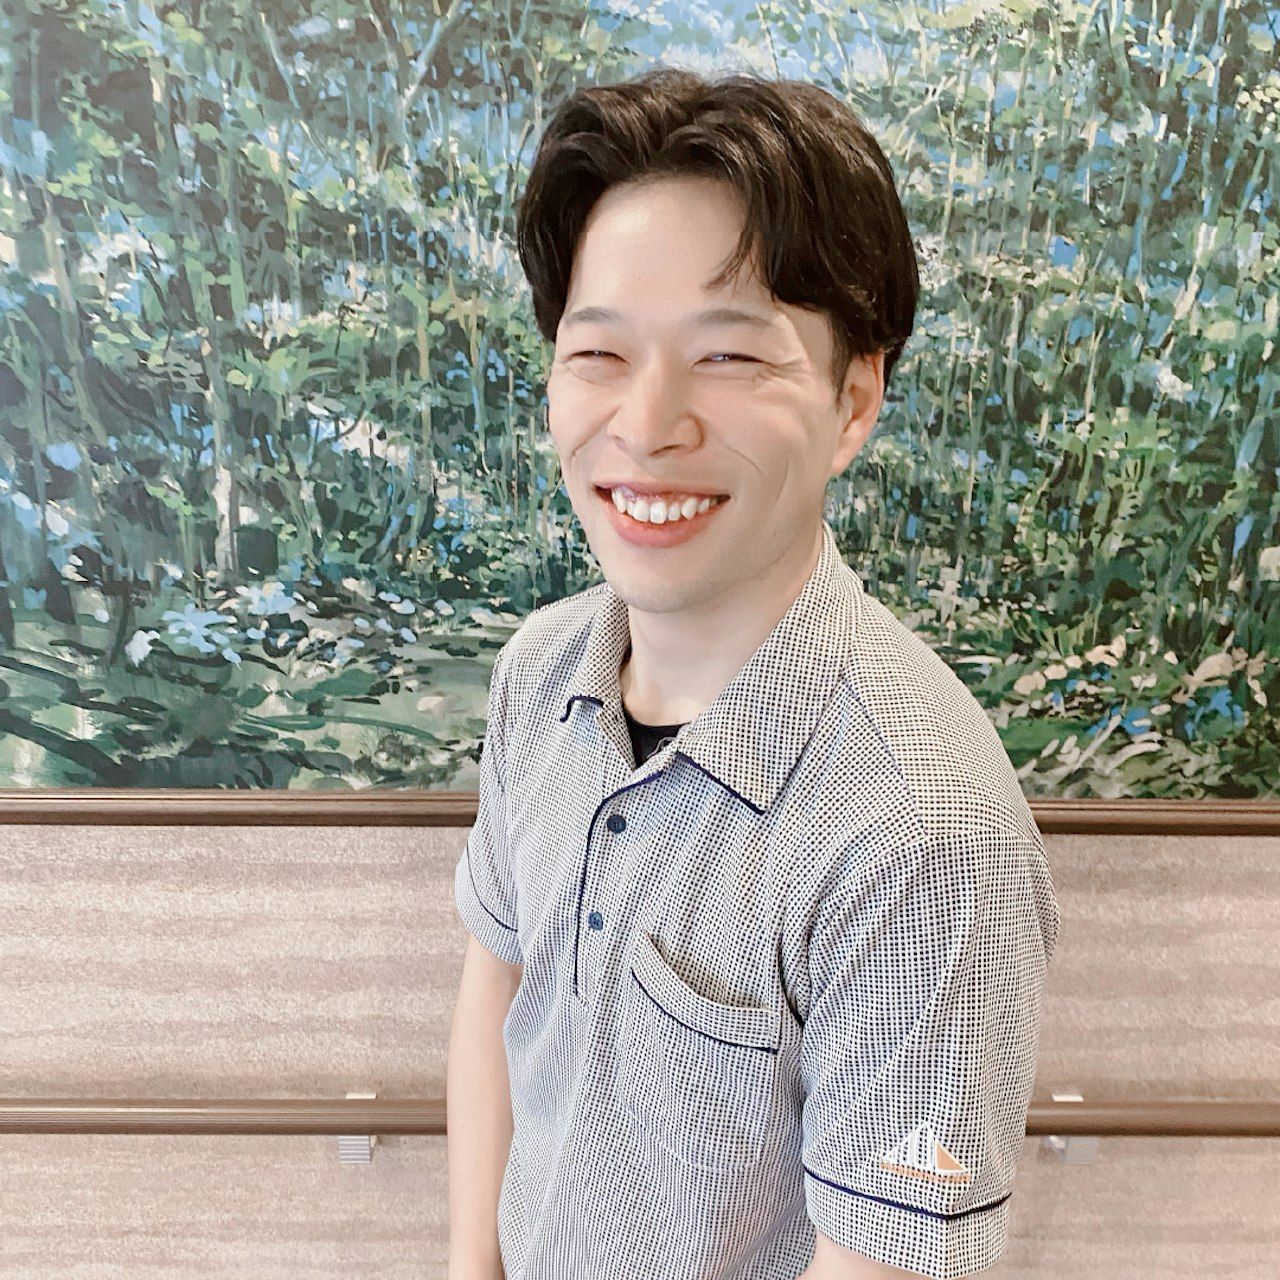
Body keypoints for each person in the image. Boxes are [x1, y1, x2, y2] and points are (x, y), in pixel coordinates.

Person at [447, 67, 1060, 1280]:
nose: (646, 424)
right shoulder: (539, 672)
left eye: (728, 356)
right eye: (598, 351)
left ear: (852, 400)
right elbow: (496, 983)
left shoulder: (918, 830)